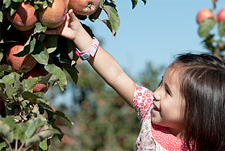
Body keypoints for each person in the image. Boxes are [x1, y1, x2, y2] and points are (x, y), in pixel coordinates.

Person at [46, 9, 225, 150]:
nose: (156, 94)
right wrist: (80, 36)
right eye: (162, 83)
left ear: (195, 111)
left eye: (168, 92)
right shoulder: (149, 109)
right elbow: (116, 76)